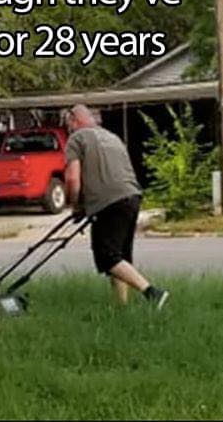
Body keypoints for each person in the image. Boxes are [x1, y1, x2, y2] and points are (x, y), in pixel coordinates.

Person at [64, 104, 169, 309]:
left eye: (68, 122)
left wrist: (75, 205)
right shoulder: (112, 137)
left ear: (75, 120)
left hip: (108, 203)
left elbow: (72, 179)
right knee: (120, 259)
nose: (67, 127)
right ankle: (121, 307)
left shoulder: (76, 138)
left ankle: (152, 293)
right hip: (132, 197)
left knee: (107, 256)